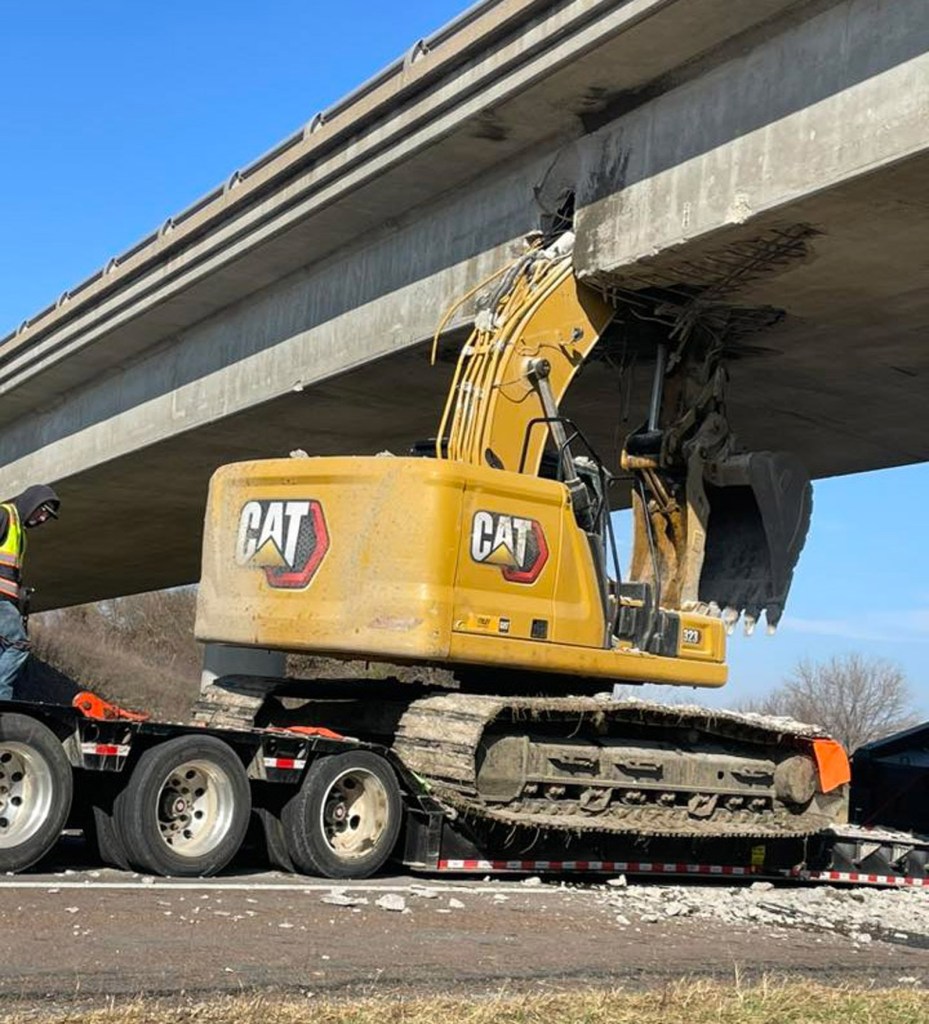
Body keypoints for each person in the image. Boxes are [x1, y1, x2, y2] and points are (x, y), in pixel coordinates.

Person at [0, 485, 60, 700]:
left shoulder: (20, 534)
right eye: (43, 511)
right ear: (32, 502)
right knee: (18, 643)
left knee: (4, 645)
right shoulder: (4, 515)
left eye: (47, 516)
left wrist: (18, 592)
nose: (43, 518)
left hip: (6, 600)